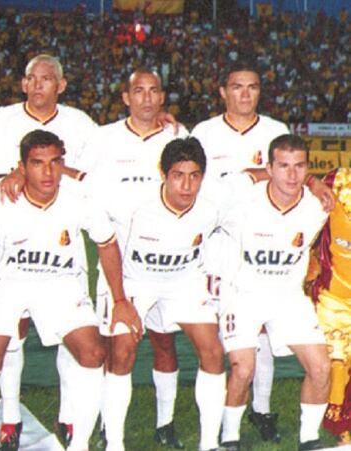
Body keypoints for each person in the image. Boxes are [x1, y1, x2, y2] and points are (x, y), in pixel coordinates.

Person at [0, 130, 140, 451]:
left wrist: (119, 300)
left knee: (93, 353)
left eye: (55, 162)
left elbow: (107, 243)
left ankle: (79, 446)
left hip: (59, 283)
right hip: (6, 283)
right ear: (21, 167)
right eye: (37, 163)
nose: (48, 172)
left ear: (63, 163)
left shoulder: (79, 197)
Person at [151, 59, 288, 445]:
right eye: (237, 87)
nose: (245, 94)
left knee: (260, 330)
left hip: (261, 246)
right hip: (214, 247)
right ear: (223, 92)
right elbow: (184, 170)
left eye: (253, 87)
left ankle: (261, 409)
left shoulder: (276, 131)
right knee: (210, 336)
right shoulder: (205, 133)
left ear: (260, 91)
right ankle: (208, 416)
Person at [98, 137, 226, 451]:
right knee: (122, 351)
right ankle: (113, 442)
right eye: (178, 175)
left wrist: (313, 184)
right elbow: (82, 195)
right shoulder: (129, 201)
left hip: (184, 282)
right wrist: (119, 300)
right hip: (135, 283)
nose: (187, 185)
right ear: (163, 173)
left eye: (194, 176)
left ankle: (208, 444)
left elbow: (256, 179)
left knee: (212, 351)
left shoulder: (214, 203)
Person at [217, 135, 330, 451]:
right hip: (244, 294)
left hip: (288, 296)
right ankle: (229, 438)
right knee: (244, 368)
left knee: (321, 367)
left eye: (299, 167)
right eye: (283, 166)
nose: (292, 175)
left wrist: (315, 184)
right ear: (269, 168)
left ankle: (309, 439)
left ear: (308, 168)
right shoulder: (242, 202)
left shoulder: (317, 206)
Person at [305, 168, 351, 444]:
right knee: (338, 362)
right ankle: (341, 427)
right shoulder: (339, 181)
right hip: (334, 298)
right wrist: (313, 182)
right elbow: (300, 178)